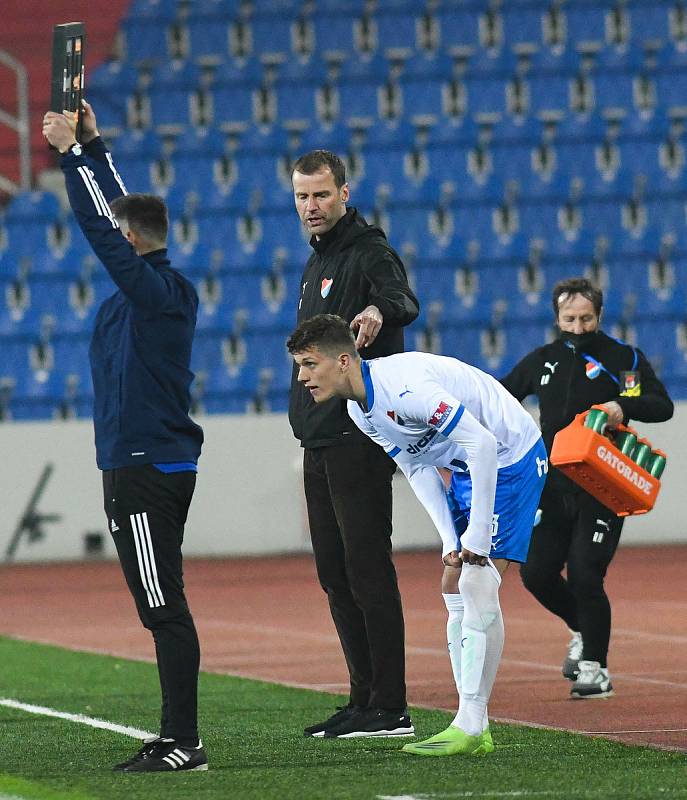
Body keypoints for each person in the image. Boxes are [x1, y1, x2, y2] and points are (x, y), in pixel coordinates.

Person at [287, 314, 547, 756]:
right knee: (454, 577)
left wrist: (477, 540)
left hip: (511, 457)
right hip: (470, 463)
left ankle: (471, 722)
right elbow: (417, 465)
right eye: (300, 365)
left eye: (311, 364)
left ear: (344, 360)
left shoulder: (405, 388)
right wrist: (450, 540)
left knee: (477, 580)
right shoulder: (358, 408)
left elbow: (483, 444)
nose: (302, 376)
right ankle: (472, 723)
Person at [42, 103, 207, 771]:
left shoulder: (156, 294)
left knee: (163, 607)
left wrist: (67, 158)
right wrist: (94, 142)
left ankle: (184, 743)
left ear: (133, 241)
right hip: (141, 463)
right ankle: (176, 738)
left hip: (147, 467)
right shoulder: (145, 294)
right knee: (162, 604)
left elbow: (102, 227)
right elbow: (118, 213)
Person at [290, 151, 420, 738]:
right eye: (301, 197)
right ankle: (362, 698)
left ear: (345, 192)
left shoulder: (369, 252)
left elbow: (403, 302)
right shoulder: (317, 262)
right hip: (319, 437)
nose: (311, 207)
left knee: (366, 567)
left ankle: (390, 706)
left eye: (321, 195)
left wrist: (375, 309)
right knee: (334, 572)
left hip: (358, 435)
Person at [501, 277, 673, 698]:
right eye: (569, 319)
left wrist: (623, 405)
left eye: (585, 318)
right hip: (551, 485)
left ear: (599, 314)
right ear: (557, 317)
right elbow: (503, 396)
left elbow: (661, 405)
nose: (577, 327)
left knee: (584, 574)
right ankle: (581, 628)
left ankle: (596, 667)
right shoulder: (544, 359)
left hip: (602, 484)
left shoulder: (623, 358)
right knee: (536, 573)